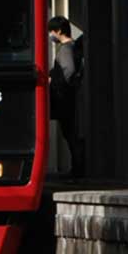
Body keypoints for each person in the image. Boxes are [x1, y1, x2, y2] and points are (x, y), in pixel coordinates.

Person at [48, 16, 85, 178]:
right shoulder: (74, 46)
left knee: (70, 134)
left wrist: (57, 82)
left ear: (59, 31)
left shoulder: (65, 49)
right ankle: (77, 168)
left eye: (51, 31)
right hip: (69, 98)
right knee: (71, 134)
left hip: (64, 99)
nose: (50, 35)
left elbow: (68, 70)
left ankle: (77, 170)